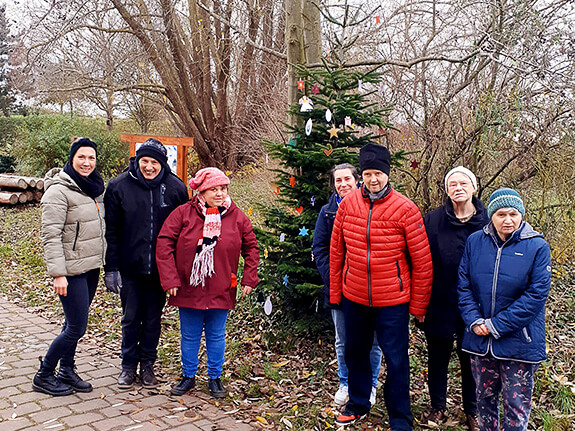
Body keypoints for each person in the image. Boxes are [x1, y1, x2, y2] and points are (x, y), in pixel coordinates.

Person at [330, 143, 433, 429]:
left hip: (393, 301)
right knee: (355, 352)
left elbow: (422, 261)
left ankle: (400, 417)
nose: (373, 179)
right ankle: (358, 402)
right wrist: (336, 293)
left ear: (388, 173)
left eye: (378, 173)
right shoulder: (348, 206)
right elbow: (337, 252)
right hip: (355, 297)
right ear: (361, 175)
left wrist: (419, 305)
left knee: (397, 360)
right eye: (368, 174)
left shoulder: (406, 209)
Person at [156, 168, 259, 398]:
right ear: (201, 191)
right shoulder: (183, 214)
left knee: (216, 334)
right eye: (214, 189)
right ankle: (188, 376)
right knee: (189, 335)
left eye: (223, 188)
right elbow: (164, 245)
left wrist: (249, 278)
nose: (220, 193)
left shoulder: (237, 216)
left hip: (222, 286)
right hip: (189, 287)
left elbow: (251, 247)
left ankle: (215, 377)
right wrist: (170, 278)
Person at [458, 188, 551, 431]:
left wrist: (495, 325)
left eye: (513, 214)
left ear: (521, 214)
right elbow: (464, 285)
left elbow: (536, 295)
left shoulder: (537, 247)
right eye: (500, 214)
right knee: (484, 402)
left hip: (519, 342)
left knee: (516, 406)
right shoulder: (475, 242)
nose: (507, 220)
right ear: (491, 216)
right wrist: (474, 321)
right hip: (479, 341)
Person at [104, 138, 188, 389]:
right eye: (144, 161)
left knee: (152, 318)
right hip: (130, 267)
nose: (149, 167)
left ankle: (148, 364)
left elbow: (184, 233)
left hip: (161, 269)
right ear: (137, 160)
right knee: (130, 318)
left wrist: (178, 270)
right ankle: (128, 366)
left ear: (162, 163)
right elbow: (112, 231)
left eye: (154, 162)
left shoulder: (175, 188)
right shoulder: (118, 187)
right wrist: (111, 268)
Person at [35, 137, 106, 396]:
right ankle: (44, 374)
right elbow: (50, 236)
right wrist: (58, 274)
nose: (87, 163)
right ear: (72, 158)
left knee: (71, 324)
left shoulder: (95, 188)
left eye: (91, 158)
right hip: (70, 271)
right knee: (76, 327)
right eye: (82, 157)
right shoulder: (58, 191)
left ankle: (66, 369)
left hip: (90, 268)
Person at [312, 163, 382, 406]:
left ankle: (370, 384)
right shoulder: (327, 212)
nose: (343, 184)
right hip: (338, 287)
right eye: (338, 180)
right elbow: (319, 248)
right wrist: (332, 276)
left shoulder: (372, 207)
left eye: (347, 179)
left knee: (372, 340)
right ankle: (345, 382)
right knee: (343, 339)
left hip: (371, 288)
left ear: (357, 181)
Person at [422, 167, 487, 430]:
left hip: (475, 304)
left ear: (473, 187)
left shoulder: (488, 221)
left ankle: (472, 409)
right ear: (447, 190)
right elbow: (421, 260)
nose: (458, 188)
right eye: (452, 184)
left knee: (470, 358)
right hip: (439, 301)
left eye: (463, 183)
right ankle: (437, 405)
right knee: (437, 357)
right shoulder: (433, 220)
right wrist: (420, 302)